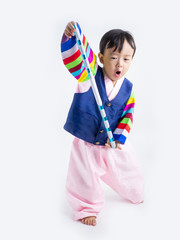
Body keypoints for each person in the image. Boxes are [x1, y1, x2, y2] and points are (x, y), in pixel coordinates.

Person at [61, 21, 144, 226]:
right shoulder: (88, 74)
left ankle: (134, 190)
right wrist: (74, 36)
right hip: (87, 142)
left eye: (126, 59)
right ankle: (87, 207)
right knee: (84, 176)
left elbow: (128, 115)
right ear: (101, 58)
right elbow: (79, 57)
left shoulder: (128, 89)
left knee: (128, 167)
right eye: (114, 57)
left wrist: (118, 137)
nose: (119, 64)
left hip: (111, 142)